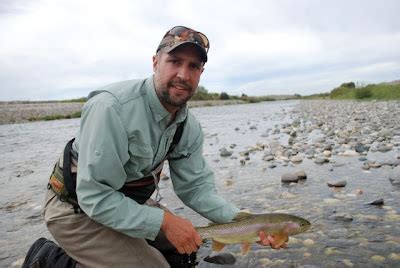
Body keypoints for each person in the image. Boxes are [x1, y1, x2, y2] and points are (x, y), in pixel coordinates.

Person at [22, 25, 286, 268]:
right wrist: (164, 222)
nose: (183, 74)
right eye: (174, 61)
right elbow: (94, 196)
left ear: (201, 74)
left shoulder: (187, 126)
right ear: (155, 62)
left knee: (185, 252)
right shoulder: (111, 108)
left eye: (193, 66)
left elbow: (195, 189)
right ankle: (50, 259)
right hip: (75, 208)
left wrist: (246, 222)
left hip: (125, 203)